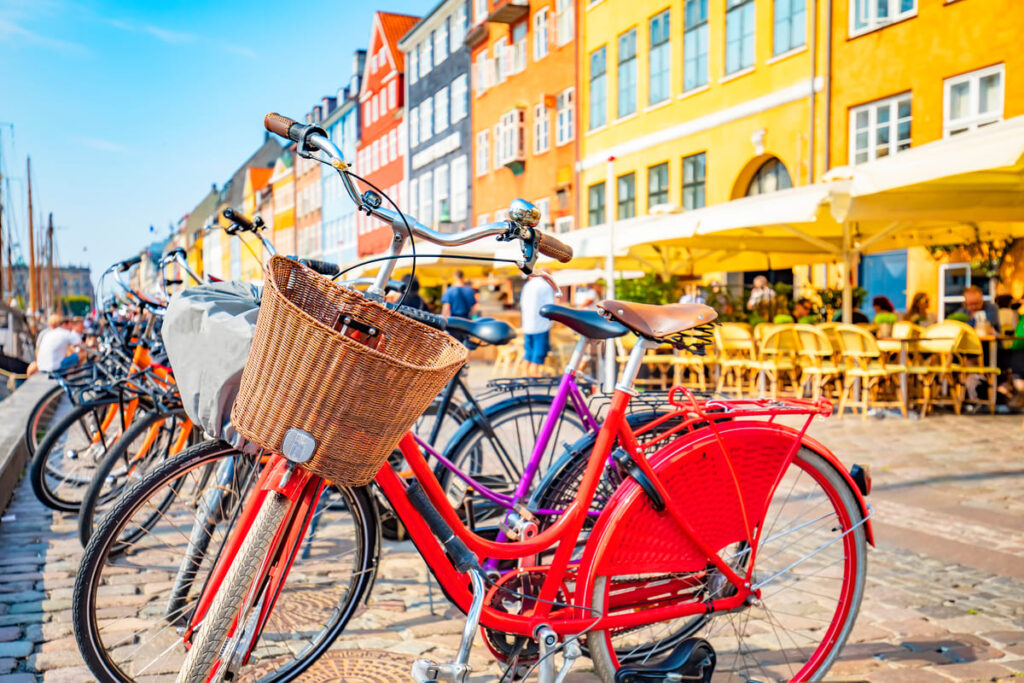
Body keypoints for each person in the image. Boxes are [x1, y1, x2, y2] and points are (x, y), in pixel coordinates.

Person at [520, 272, 556, 377]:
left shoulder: (528, 285)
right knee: (539, 349)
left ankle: (525, 372)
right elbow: (550, 305)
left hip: (527, 322)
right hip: (541, 322)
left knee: (529, 348)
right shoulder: (545, 286)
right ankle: (534, 372)